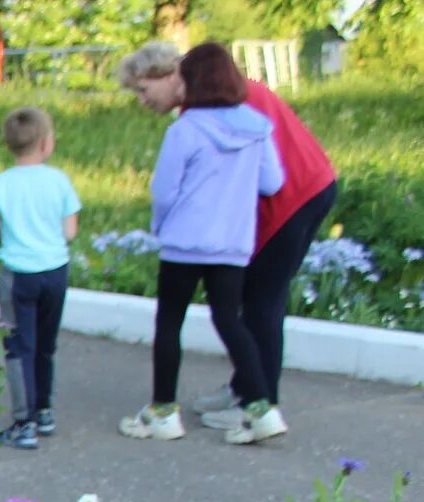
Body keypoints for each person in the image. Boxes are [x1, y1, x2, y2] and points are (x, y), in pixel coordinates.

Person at [118, 39, 339, 425]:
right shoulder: (213, 99)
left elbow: (251, 177)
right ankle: (247, 390)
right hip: (293, 193)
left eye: (143, 89)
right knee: (243, 305)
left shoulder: (221, 99)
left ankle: (259, 403)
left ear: (171, 75)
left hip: (295, 194)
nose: (142, 100)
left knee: (261, 301)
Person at [0, 105, 79, 450]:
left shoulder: (0, 184)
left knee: (20, 347)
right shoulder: (60, 181)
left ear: (9, 144)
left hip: (18, 275)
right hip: (55, 271)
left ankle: (24, 422)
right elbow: (69, 231)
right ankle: (44, 410)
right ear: (46, 143)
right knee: (45, 346)